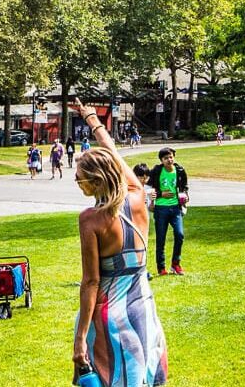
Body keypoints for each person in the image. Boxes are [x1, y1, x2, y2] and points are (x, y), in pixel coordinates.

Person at [72, 98, 168, 386]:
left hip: (107, 317)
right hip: (142, 307)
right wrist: (93, 120)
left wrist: (79, 341)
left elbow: (91, 282)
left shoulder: (90, 219)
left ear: (95, 181)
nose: (77, 184)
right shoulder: (138, 196)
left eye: (79, 180)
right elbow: (113, 154)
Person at [148, 147, 189, 276]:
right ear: (161, 160)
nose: (169, 160)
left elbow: (185, 187)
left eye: (171, 157)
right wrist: (160, 194)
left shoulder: (180, 170)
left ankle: (175, 264)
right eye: (166, 158)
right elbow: (148, 187)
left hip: (176, 208)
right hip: (160, 209)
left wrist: (185, 196)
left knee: (179, 234)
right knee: (161, 239)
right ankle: (161, 268)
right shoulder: (157, 171)